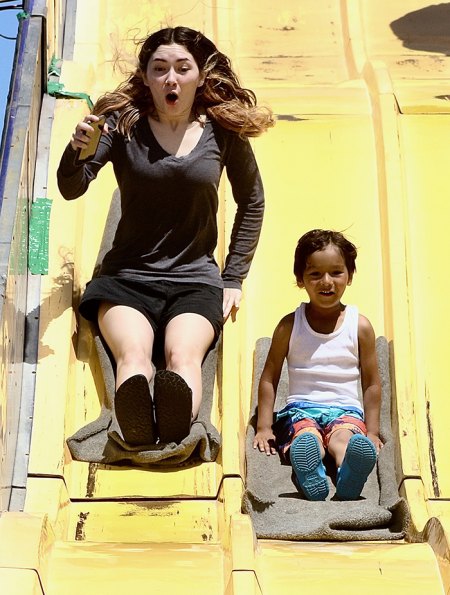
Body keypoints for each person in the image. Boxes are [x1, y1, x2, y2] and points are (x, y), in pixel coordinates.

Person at [57, 26, 274, 447]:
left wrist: (233, 276)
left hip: (194, 281)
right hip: (126, 280)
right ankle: (137, 418)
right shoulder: (123, 126)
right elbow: (72, 186)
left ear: (198, 76)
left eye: (181, 68)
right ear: (146, 77)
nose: (170, 79)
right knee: (134, 355)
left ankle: (175, 420)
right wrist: (76, 149)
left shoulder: (222, 132)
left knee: (182, 356)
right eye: (159, 69)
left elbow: (253, 202)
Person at [253, 229, 382, 501]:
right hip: (301, 408)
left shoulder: (360, 326)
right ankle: (311, 472)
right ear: (300, 280)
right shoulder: (290, 325)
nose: (326, 282)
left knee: (344, 440)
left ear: (349, 275)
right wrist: (264, 426)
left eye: (336, 272)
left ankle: (349, 475)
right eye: (315, 274)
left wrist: (371, 431)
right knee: (306, 437)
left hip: (345, 409)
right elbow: (269, 377)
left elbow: (371, 383)